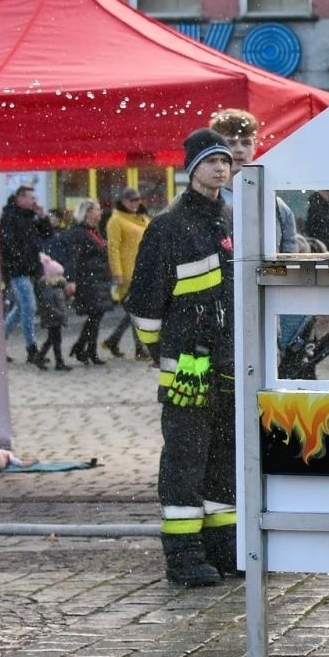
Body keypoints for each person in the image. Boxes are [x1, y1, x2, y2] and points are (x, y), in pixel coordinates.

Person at [126, 129, 239, 588]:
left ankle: (224, 547)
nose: (221, 168)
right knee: (186, 459)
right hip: (188, 364)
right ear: (192, 168)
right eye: (212, 161)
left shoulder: (233, 218)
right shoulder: (168, 225)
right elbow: (143, 302)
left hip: (230, 363)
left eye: (226, 161)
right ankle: (184, 555)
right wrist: (160, 351)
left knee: (225, 459)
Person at [208, 109, 300, 253]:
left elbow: (288, 259)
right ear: (217, 148)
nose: (239, 150)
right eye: (231, 143)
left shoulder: (276, 205)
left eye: (246, 143)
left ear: (255, 148)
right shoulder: (201, 202)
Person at [62, 199, 114, 366]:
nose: (100, 212)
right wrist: (71, 280)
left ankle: (81, 348)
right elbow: (73, 258)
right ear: (88, 212)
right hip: (88, 280)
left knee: (95, 316)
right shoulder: (79, 232)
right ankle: (87, 350)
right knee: (94, 316)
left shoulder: (94, 231)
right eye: (97, 210)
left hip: (97, 278)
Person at [102, 188, 152, 359]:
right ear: (123, 201)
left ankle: (114, 340)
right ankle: (139, 348)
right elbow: (113, 248)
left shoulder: (143, 217)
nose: (135, 203)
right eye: (131, 200)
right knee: (135, 311)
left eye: (137, 199)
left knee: (133, 312)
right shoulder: (116, 220)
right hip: (128, 273)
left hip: (144, 271)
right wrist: (117, 272)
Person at [0, 185, 45, 368]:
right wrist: (19, 261)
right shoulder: (10, 217)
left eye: (34, 198)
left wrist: (42, 217)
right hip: (18, 270)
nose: (34, 201)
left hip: (28, 269)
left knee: (21, 308)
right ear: (20, 198)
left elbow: (46, 234)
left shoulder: (30, 217)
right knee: (29, 307)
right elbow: (8, 243)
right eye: (30, 198)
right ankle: (31, 349)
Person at [35, 252, 72, 372]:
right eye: (59, 275)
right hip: (53, 319)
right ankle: (57, 362)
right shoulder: (50, 290)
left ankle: (42, 357)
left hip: (55, 319)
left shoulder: (56, 288)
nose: (62, 277)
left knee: (52, 340)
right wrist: (61, 316)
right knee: (55, 341)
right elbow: (51, 306)